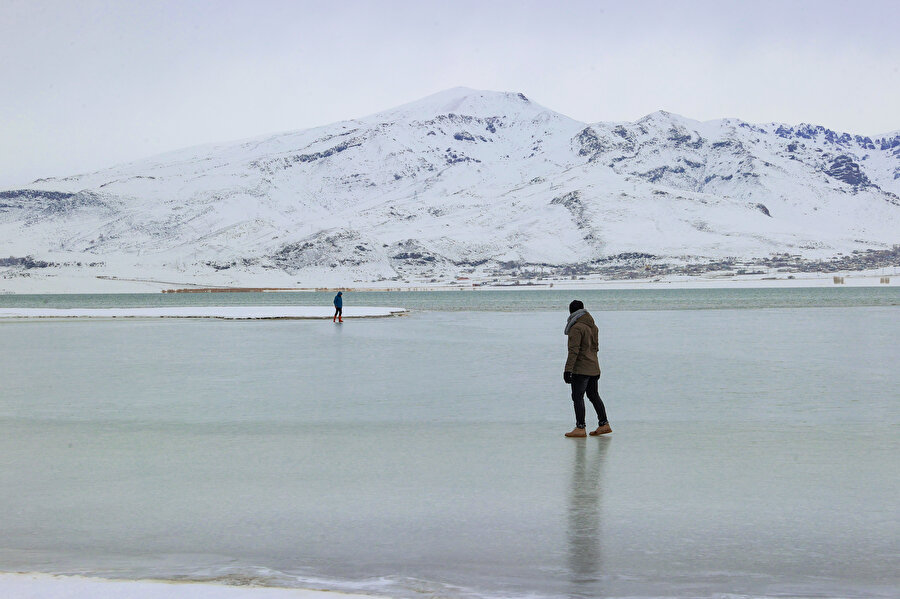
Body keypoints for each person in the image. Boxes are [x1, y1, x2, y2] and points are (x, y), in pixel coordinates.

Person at [563, 300, 611, 438]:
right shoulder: (593, 326)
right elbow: (595, 348)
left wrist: (568, 370)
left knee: (577, 397)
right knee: (593, 395)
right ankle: (604, 424)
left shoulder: (577, 328)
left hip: (581, 369)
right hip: (594, 367)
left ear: (571, 312)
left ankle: (580, 427)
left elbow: (574, 351)